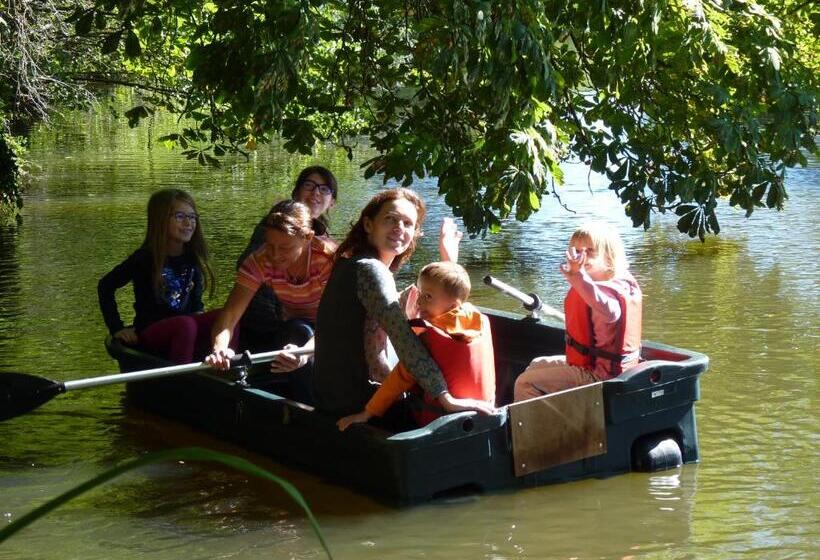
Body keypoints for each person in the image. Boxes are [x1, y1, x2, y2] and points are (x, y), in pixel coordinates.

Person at [279, 187, 494, 417]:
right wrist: (446, 398)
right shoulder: (371, 271)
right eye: (390, 219)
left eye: (408, 223)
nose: (399, 228)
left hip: (334, 397)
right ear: (368, 224)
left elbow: (386, 312)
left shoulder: (349, 262)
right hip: (360, 404)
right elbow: (404, 340)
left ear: (414, 232)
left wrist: (449, 263)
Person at [337, 261, 496, 431]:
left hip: (441, 423)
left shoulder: (430, 337)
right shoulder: (479, 323)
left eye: (428, 297)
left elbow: (399, 378)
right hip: (485, 412)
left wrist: (367, 413)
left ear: (454, 306)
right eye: (420, 293)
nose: (419, 301)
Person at [206, 200, 336, 403]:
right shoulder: (259, 260)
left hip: (337, 328)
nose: (274, 255)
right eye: (270, 245)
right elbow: (230, 314)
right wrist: (219, 348)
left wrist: (304, 354)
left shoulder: (328, 259)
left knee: (301, 333)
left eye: (284, 247)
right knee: (297, 331)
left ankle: (312, 411)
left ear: (308, 238)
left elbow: (335, 322)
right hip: (296, 327)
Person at [513, 222, 642, 401]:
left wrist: (579, 277)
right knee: (536, 364)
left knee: (525, 383)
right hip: (593, 366)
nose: (583, 256)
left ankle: (537, 420)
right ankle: (551, 412)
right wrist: (580, 278)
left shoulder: (607, 291)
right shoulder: (597, 283)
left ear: (609, 256)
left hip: (601, 377)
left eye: (590, 251)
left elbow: (611, 312)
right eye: (578, 251)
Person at [98, 188, 222, 363]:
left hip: (186, 327)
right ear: (161, 220)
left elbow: (196, 305)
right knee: (185, 325)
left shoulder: (193, 258)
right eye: (180, 216)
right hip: (151, 331)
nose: (188, 223)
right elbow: (105, 286)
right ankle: (182, 376)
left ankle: (224, 367)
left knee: (225, 318)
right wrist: (116, 328)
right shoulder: (144, 258)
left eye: (192, 217)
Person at [237, 166, 338, 352]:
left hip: (310, 322)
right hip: (271, 323)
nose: (316, 193)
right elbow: (253, 273)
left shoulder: (324, 244)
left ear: (332, 202)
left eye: (324, 189)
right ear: (296, 192)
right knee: (298, 331)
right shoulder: (275, 227)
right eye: (309, 185)